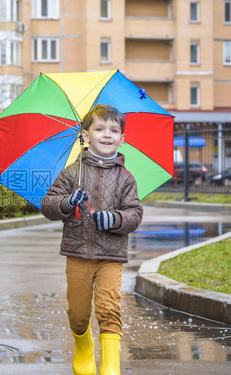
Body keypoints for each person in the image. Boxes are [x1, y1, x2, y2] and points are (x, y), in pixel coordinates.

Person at [41, 104, 143, 375]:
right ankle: (83, 345)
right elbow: (48, 205)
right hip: (78, 254)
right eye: (99, 129)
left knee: (109, 308)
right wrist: (67, 201)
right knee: (77, 313)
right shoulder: (72, 173)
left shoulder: (126, 179)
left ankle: (111, 365)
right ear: (86, 135)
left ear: (122, 138)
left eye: (114, 130)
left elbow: (134, 213)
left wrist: (114, 219)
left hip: (111, 256)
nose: (107, 134)